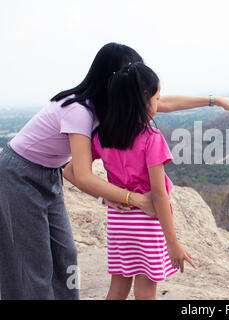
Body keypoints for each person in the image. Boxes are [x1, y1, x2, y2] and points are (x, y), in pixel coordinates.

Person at [0, 42, 229, 300]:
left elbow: (161, 101)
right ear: (115, 77)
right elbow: (83, 175)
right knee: (33, 264)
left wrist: (213, 100)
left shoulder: (113, 107)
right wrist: (132, 199)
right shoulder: (80, 111)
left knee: (66, 256)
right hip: (20, 174)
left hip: (49, 173)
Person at [64, 62, 196, 300]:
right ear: (143, 99)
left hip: (119, 221)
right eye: (156, 99)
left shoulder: (102, 135)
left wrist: (105, 197)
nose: (158, 104)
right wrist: (173, 242)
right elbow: (158, 195)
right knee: (145, 291)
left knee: (118, 287)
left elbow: (70, 171)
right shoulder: (151, 139)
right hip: (146, 222)